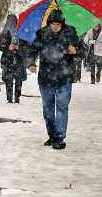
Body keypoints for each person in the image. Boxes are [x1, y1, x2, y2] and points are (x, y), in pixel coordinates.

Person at [26, 10, 84, 150]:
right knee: (48, 109)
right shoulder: (42, 34)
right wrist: (31, 63)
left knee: (62, 107)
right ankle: (52, 135)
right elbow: (32, 50)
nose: (55, 26)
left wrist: (75, 51)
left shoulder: (70, 33)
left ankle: (59, 137)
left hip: (64, 77)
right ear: (49, 23)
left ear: (62, 23)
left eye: (58, 24)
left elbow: (82, 51)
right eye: (53, 23)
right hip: (46, 77)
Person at [0, 14, 27, 103]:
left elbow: (26, 45)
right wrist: (7, 47)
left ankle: (17, 98)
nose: (12, 23)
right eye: (10, 21)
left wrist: (19, 47)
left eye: (13, 21)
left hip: (19, 58)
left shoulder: (21, 32)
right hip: (7, 59)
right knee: (8, 80)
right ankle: (9, 98)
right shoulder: (3, 33)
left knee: (18, 79)